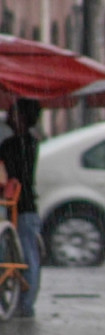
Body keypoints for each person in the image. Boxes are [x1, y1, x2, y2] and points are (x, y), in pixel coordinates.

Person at [0, 98, 43, 318]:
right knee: (28, 256)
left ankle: (24, 304)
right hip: (26, 205)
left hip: (19, 206)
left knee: (25, 256)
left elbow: (10, 176)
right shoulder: (32, 142)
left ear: (21, 118)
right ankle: (25, 303)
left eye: (12, 111)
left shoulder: (12, 145)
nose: (7, 114)